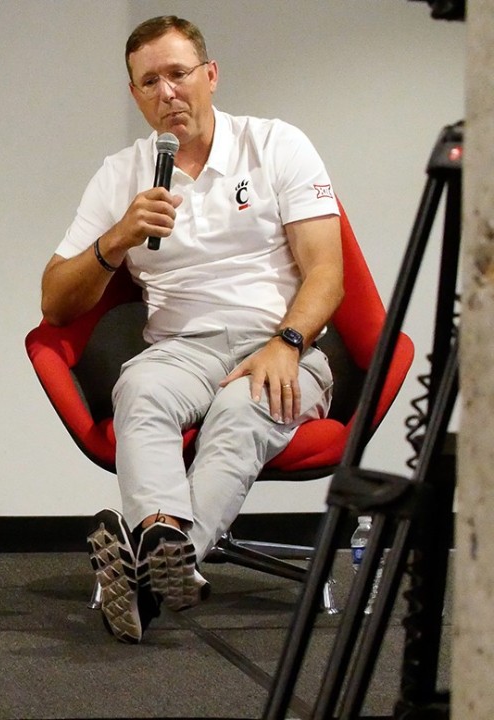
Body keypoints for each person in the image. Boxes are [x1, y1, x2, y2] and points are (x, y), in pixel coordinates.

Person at [40, 17, 343, 643]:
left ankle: (151, 577)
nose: (166, 92)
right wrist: (117, 237)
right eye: (149, 81)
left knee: (242, 410)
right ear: (135, 95)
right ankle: (164, 548)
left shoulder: (274, 145)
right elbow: (55, 302)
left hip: (280, 342)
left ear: (210, 76)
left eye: (178, 74)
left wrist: (286, 346)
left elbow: (328, 275)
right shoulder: (123, 174)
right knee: (139, 391)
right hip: (180, 349)